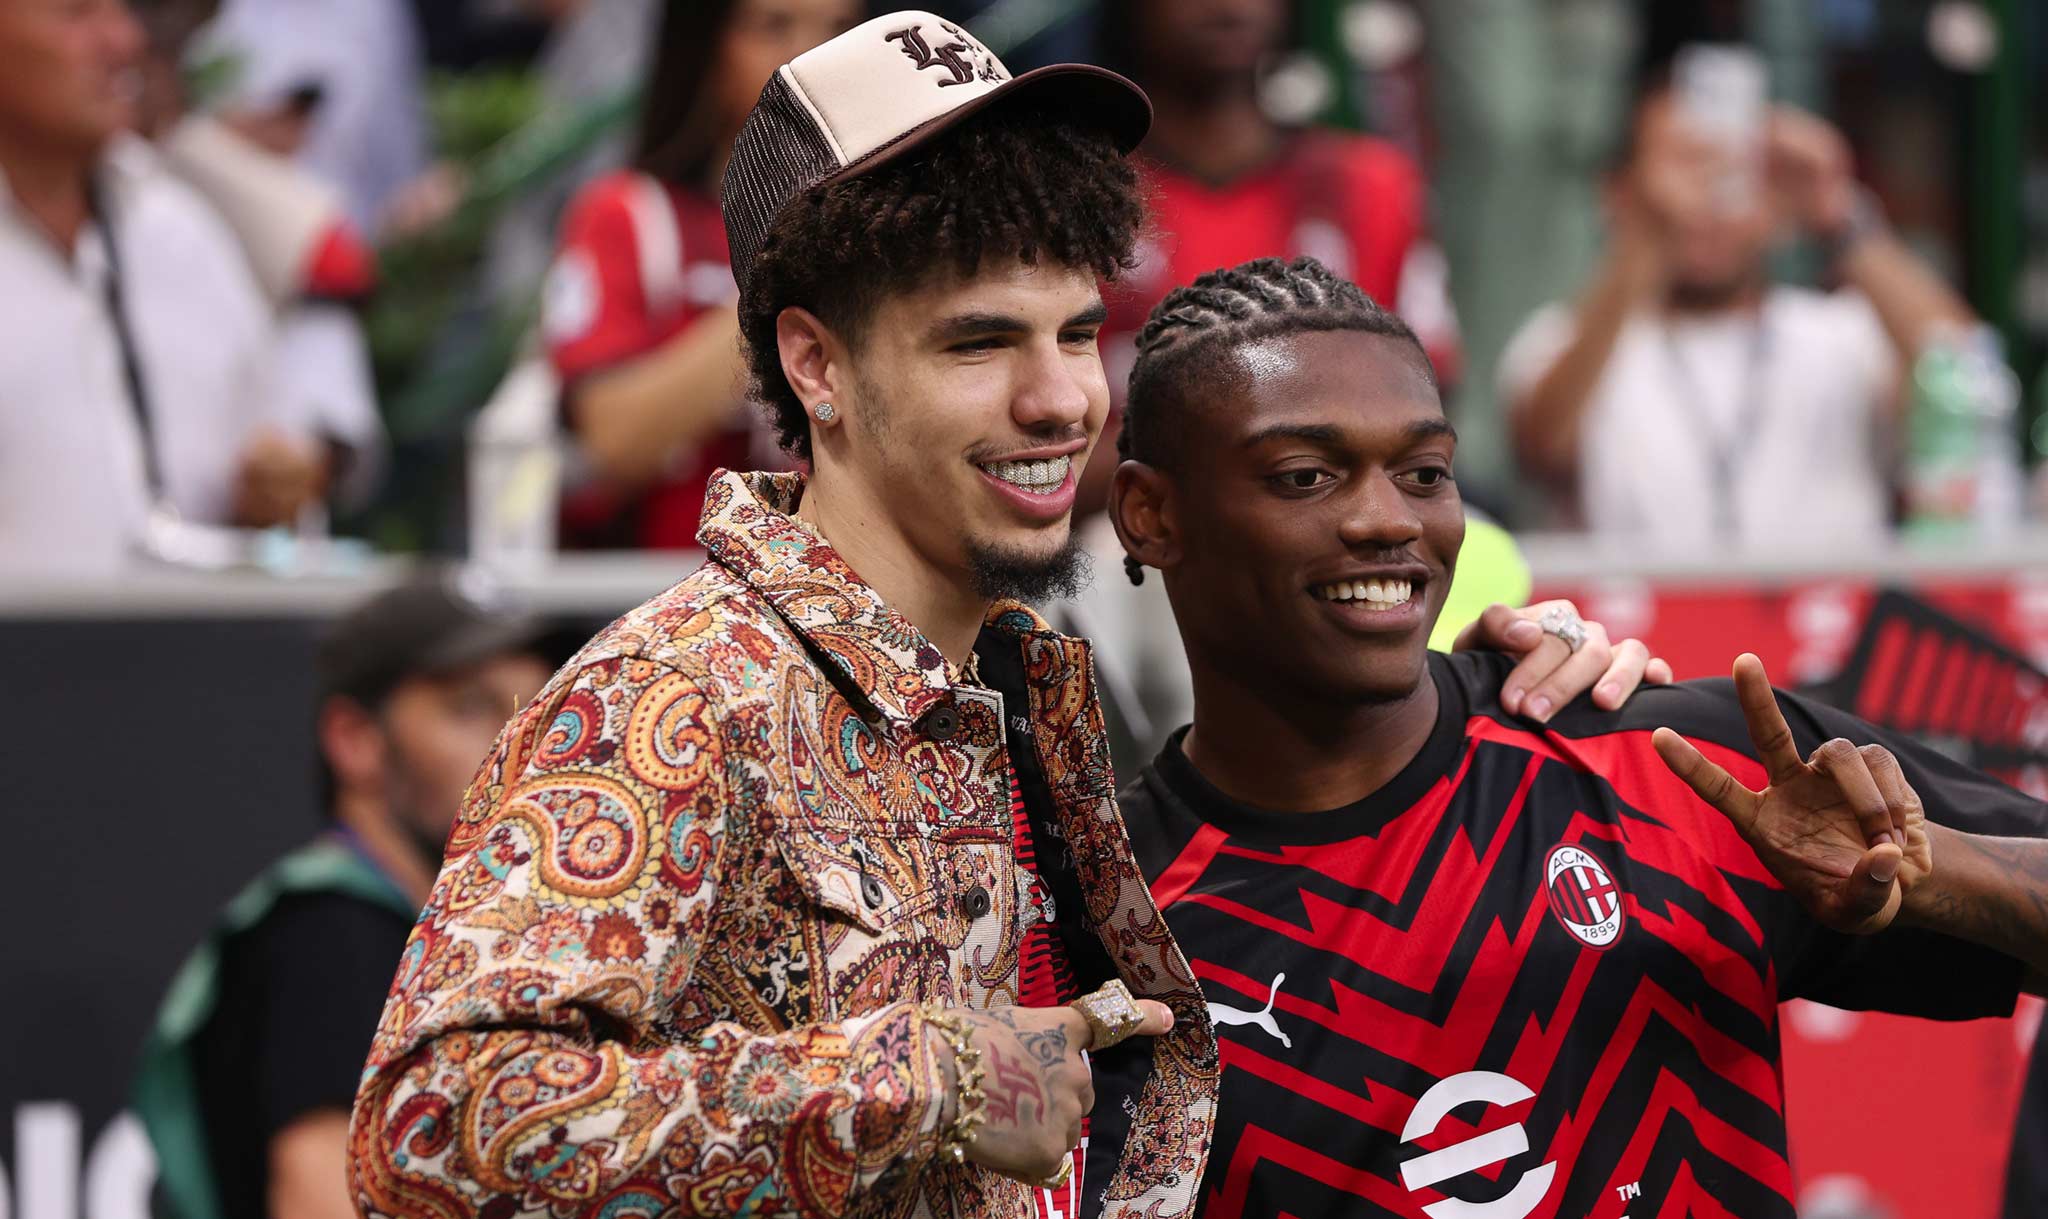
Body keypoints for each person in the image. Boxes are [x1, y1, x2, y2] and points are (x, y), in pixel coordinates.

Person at [345, 17, 1660, 1219]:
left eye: (1077, 333)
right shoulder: (676, 696)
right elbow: (431, 1128)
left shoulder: (1030, 692)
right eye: (978, 343)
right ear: (816, 364)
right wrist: (927, 1078)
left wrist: (1476, 709)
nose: (1061, 401)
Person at [1099, 254, 2048, 1219]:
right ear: (1150, 514)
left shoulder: (1683, 765)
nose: (1388, 520)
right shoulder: (1104, 920)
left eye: (1425, 473)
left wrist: (1930, 874)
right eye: (1305, 476)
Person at [134, 572, 553, 1219]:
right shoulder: (331, 936)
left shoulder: (405, 934)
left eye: (538, 710)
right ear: (355, 741)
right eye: (471, 708)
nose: (522, 744)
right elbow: (321, 1199)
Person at [1500, 85, 1976, 545]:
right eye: (1685, 165)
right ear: (1621, 193)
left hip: (1831, 603)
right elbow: (1544, 447)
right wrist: (1643, 242)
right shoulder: (1563, 338)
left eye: (1733, 172)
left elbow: (1967, 379)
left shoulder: (1839, 335)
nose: (1706, 198)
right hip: (1634, 606)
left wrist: (1837, 213)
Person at [0, 0, 337, 573]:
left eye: (119, 9)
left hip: (188, 630)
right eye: (76, 13)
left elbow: (280, 491)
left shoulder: (178, 236)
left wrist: (269, 500)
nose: (124, 41)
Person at [1083, 0, 1453, 513]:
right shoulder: (1072, 196)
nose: (1228, 5)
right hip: (1120, 521)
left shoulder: (1371, 185)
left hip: (1342, 513)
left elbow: (1430, 403)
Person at [538, 0, 860, 549]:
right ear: (703, 46)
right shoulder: (627, 215)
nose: (811, 58)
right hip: (672, 583)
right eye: (774, 25)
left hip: (839, 580)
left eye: (840, 30)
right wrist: (786, 280)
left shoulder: (892, 224)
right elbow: (612, 442)